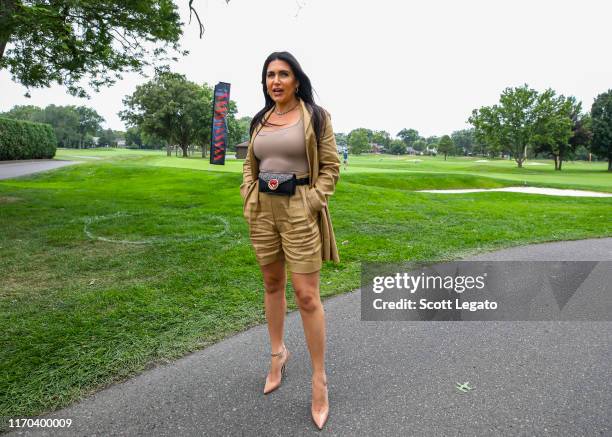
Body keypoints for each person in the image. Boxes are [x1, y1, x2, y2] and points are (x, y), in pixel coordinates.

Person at [239, 51, 340, 430]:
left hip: (299, 207)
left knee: (307, 295)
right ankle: (277, 354)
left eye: (283, 74)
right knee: (271, 283)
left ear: (297, 79)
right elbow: (250, 164)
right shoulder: (260, 120)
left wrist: (312, 200)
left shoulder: (315, 116)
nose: (276, 81)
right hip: (263, 209)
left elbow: (331, 166)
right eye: (270, 75)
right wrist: (248, 192)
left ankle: (319, 379)